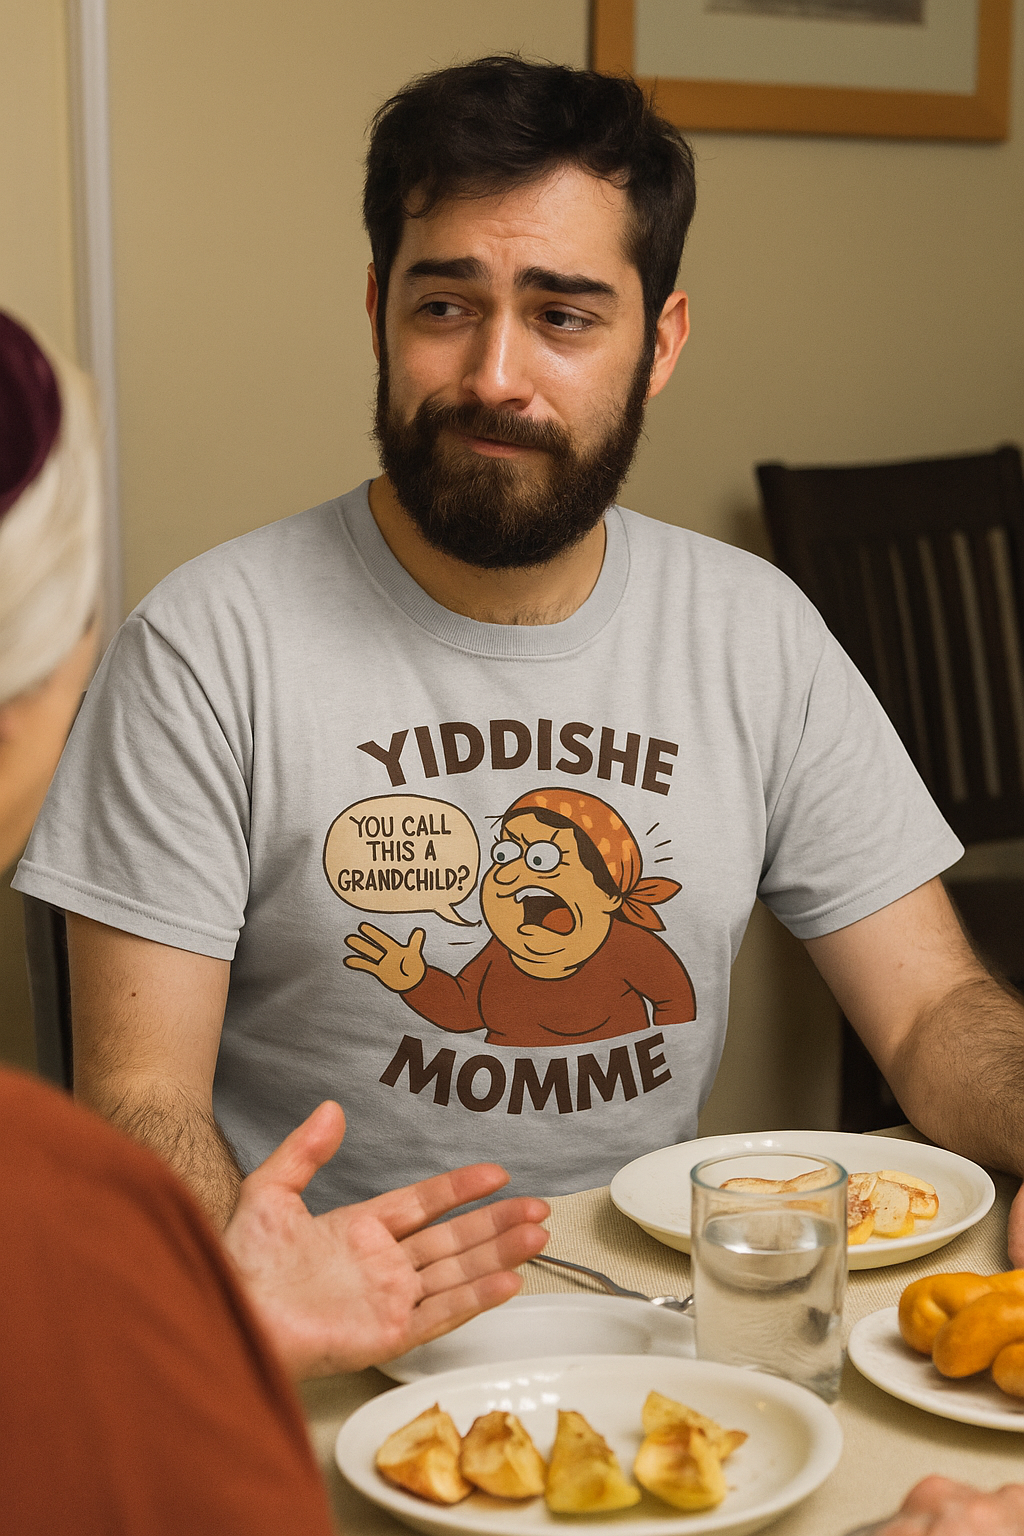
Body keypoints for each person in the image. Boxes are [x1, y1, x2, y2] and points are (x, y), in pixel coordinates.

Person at [12, 59, 1023, 1271]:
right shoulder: (204, 647)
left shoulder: (756, 632)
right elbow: (140, 1100)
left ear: (658, 341)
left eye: (563, 315)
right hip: (324, 1347)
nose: (496, 376)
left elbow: (926, 1014)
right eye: (446, 307)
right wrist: (263, 1305)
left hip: (658, 1336)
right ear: (378, 308)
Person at [0, 307, 549, 1532]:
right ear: (40, 694)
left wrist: (212, 1309)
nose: (498, 371)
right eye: (447, 307)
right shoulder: (47, 1236)